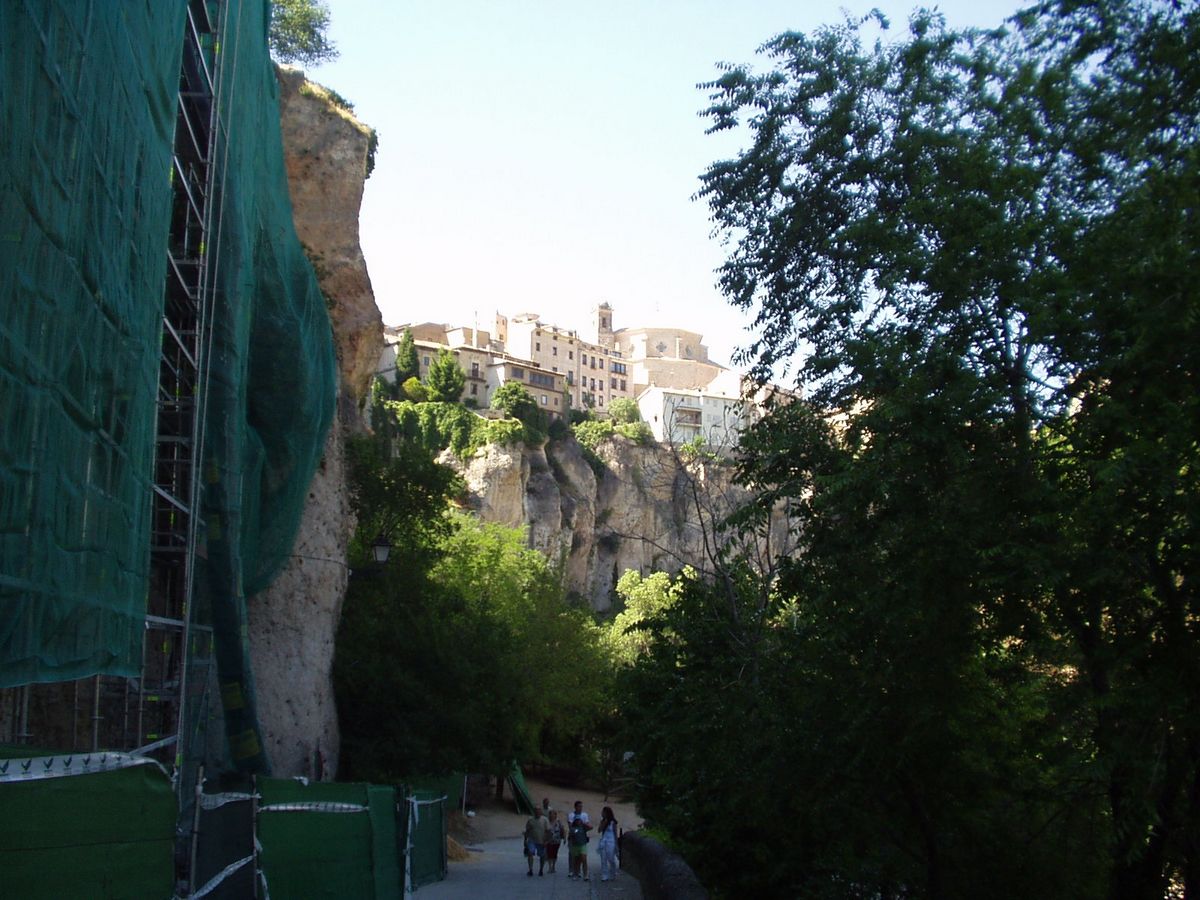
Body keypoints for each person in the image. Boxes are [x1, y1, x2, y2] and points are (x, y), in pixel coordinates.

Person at [567, 800, 592, 881]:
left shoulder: (584, 816)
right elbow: (571, 828)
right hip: (575, 842)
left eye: (581, 806)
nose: (580, 808)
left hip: (582, 842)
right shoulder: (571, 816)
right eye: (579, 806)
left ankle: (585, 874)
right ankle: (575, 872)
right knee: (576, 858)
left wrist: (583, 824)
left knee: (583, 858)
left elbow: (590, 827)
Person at [523, 805, 549, 877]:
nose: (537, 812)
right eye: (536, 810)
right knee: (530, 853)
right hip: (532, 840)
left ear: (541, 811)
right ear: (534, 812)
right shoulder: (530, 820)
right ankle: (530, 869)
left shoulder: (545, 820)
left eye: (538, 810)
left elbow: (548, 831)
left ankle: (541, 869)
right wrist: (525, 840)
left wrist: (546, 840)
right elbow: (527, 830)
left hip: (542, 840)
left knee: (542, 856)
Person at [597, 805, 619, 882]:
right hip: (604, 840)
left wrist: (616, 844)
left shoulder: (613, 822)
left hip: (611, 841)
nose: (602, 813)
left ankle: (613, 873)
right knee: (603, 858)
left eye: (603, 812)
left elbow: (615, 833)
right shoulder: (602, 821)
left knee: (610, 858)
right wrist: (604, 823)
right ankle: (604, 875)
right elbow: (599, 830)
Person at [545, 809, 565, 874]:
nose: (551, 815)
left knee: (554, 853)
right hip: (548, 840)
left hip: (557, 840)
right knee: (549, 853)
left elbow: (562, 829)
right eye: (550, 814)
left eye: (553, 814)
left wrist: (564, 838)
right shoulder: (546, 821)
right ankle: (550, 867)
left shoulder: (558, 822)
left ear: (555, 815)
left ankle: (553, 866)